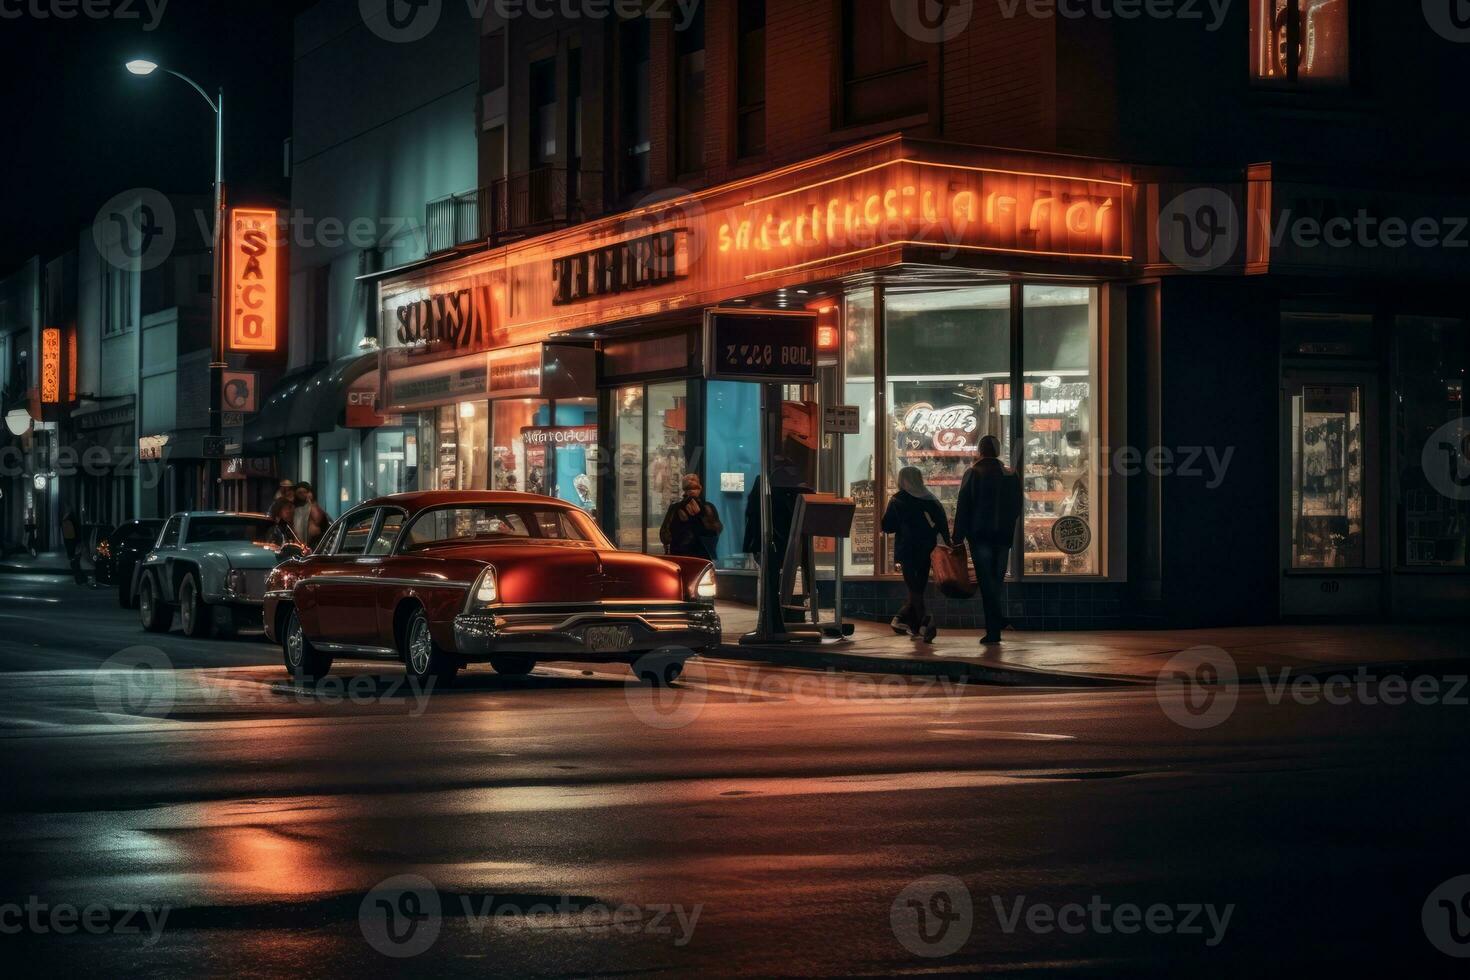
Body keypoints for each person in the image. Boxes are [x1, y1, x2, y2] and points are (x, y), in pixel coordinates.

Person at [953, 434, 1024, 643]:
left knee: (987, 582)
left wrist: (957, 536)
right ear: (998, 451)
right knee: (996, 580)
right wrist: (1007, 524)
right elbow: (1016, 506)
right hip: (1003, 537)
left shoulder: (973, 473)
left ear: (980, 451)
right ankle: (997, 623)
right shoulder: (1010, 474)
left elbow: (963, 507)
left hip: (980, 536)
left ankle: (994, 629)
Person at [881, 466, 951, 642]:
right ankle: (914, 625)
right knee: (918, 586)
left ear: (902, 480)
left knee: (914, 588)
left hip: (907, 549)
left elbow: (887, 526)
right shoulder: (929, 498)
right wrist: (947, 542)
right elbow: (942, 522)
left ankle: (926, 620)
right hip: (927, 548)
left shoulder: (898, 500)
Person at [659, 474, 723, 560]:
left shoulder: (706, 507)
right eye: (689, 488)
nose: (692, 491)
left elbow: (715, 529)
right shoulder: (677, 508)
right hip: (691, 553)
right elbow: (665, 534)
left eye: (695, 488)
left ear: (700, 489)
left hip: (696, 553)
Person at [292, 481, 332, 549]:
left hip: (315, 544)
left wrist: (311, 503)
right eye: (299, 492)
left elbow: (320, 521)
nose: (302, 494)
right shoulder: (293, 508)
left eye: (304, 492)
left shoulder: (313, 506)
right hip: (298, 545)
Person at [60, 509, 84, 585]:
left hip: (72, 543)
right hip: (73, 542)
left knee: (74, 563)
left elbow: (70, 535)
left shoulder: (69, 521)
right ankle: (80, 579)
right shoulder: (71, 522)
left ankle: (80, 579)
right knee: (75, 563)